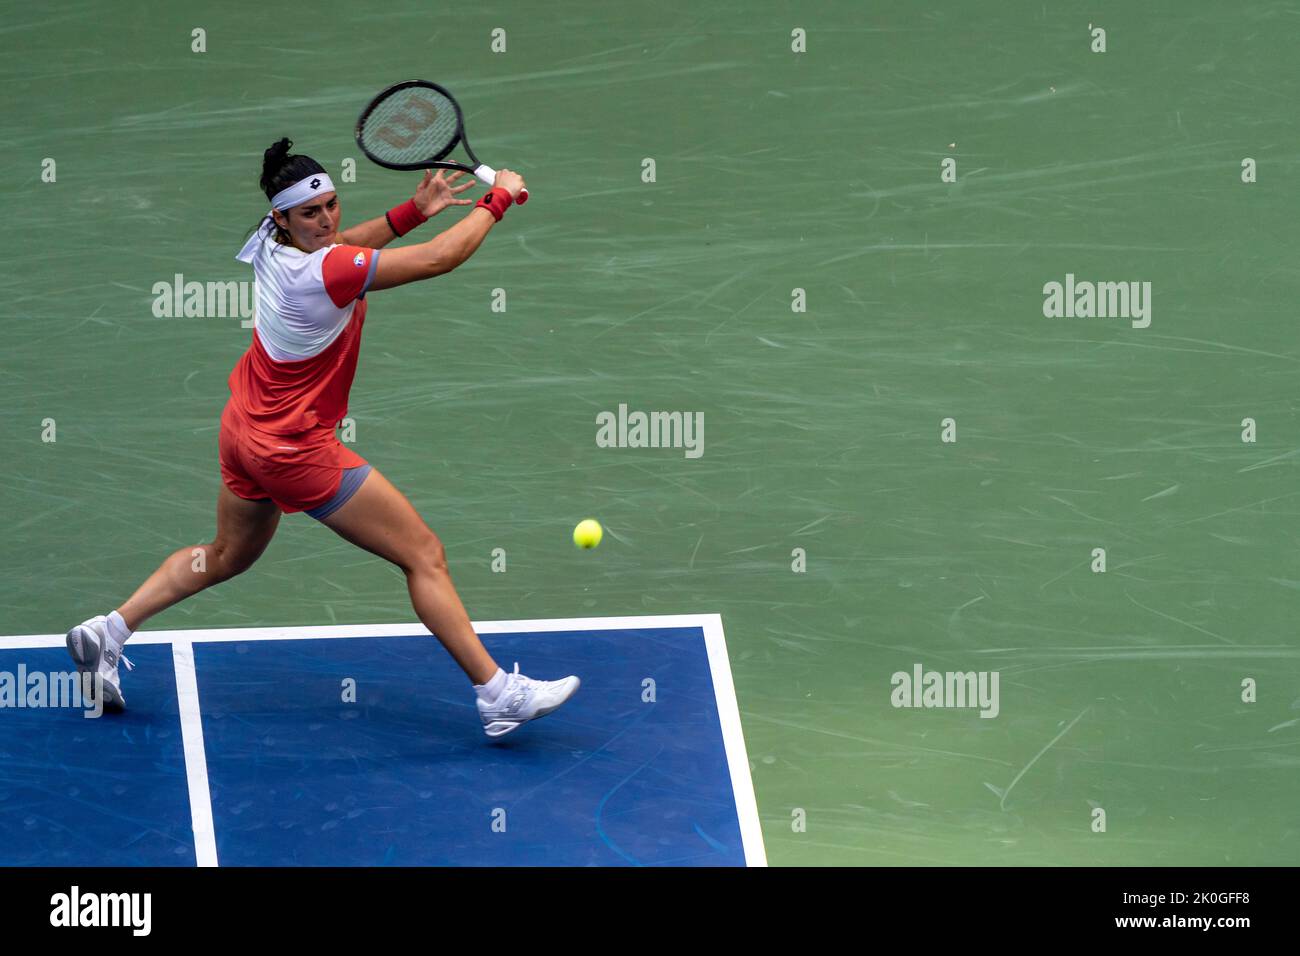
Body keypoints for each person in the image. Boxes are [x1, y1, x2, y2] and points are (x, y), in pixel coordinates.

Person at [65, 138, 578, 739]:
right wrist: (497, 200)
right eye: (312, 212)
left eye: (332, 204)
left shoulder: (274, 241)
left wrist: (412, 211)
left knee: (228, 555)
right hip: (294, 449)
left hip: (243, 430)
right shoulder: (328, 269)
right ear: (283, 216)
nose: (328, 220)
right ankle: (498, 693)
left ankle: (110, 631)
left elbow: (346, 245)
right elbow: (439, 259)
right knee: (423, 555)